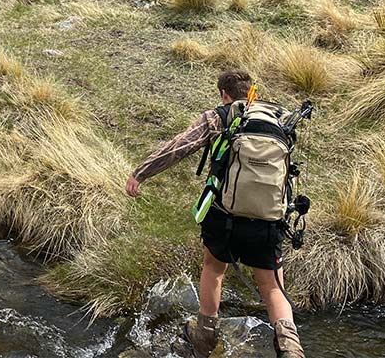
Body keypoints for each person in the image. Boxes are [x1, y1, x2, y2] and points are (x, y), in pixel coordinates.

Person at [124, 70, 305, 358]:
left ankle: (204, 339)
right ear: (252, 91)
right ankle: (292, 349)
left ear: (224, 93)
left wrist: (140, 173)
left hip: (224, 215)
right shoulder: (278, 118)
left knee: (213, 268)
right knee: (271, 285)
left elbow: (180, 147)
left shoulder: (219, 116)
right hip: (269, 218)